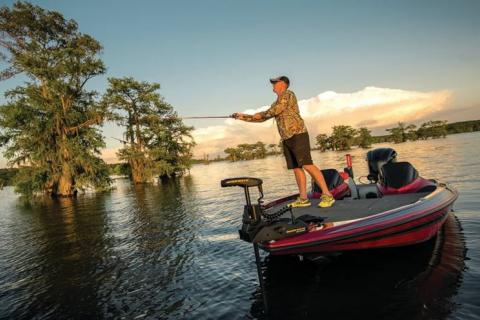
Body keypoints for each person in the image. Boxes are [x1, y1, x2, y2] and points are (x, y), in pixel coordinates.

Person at [233, 76, 335, 208]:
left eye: (275, 82)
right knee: (296, 168)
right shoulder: (275, 103)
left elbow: (275, 110)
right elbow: (261, 118)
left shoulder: (288, 94)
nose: (273, 85)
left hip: (298, 134)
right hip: (286, 138)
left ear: (283, 83)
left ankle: (327, 195)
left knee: (307, 164)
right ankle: (303, 198)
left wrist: (261, 114)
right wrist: (242, 117)